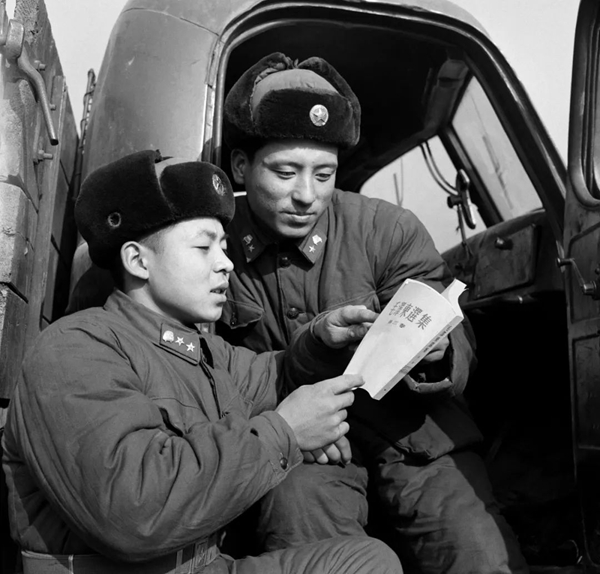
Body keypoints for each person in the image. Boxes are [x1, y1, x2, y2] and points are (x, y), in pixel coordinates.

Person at [1, 150, 403, 574]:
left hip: (206, 565)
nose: (225, 263)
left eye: (224, 247)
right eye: (203, 247)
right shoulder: (75, 350)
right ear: (138, 260)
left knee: (366, 561)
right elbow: (133, 514)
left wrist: (320, 343)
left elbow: (273, 377)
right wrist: (284, 431)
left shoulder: (200, 350)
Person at [216, 52, 529, 574]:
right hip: (304, 449)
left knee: (478, 551)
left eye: (324, 174)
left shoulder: (388, 228)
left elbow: (458, 339)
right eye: (285, 172)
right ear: (241, 167)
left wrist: (438, 351)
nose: (306, 195)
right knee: (305, 544)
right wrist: (285, 426)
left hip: (415, 435)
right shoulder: (212, 249)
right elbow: (200, 373)